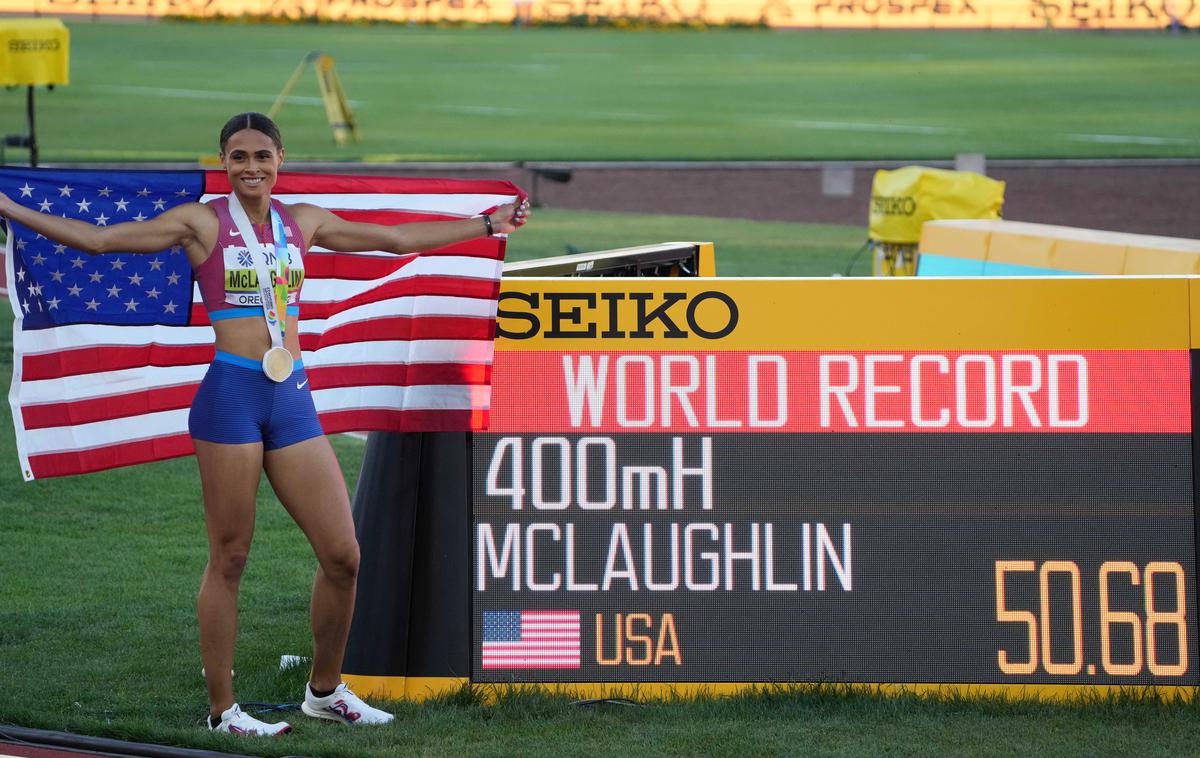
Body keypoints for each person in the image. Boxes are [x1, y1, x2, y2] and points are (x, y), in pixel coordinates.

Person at [0, 112, 530, 736]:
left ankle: (325, 691)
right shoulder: (202, 222)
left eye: (262, 155)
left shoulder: (301, 221)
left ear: (281, 158)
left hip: (292, 396)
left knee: (343, 555)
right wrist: (8, 206)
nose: (251, 166)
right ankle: (224, 710)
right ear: (223, 162)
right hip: (230, 398)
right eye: (238, 156)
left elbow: (393, 239)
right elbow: (100, 240)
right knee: (230, 556)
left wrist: (485, 225)